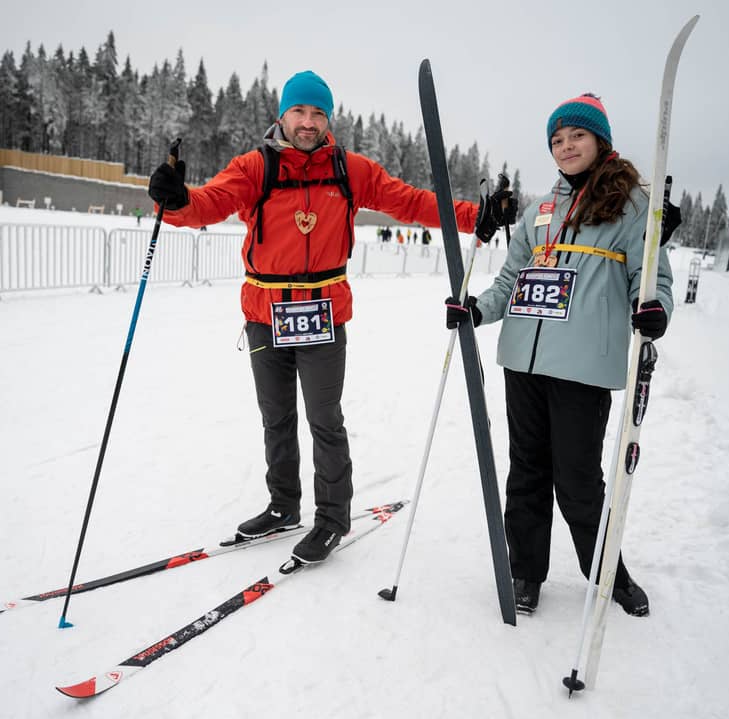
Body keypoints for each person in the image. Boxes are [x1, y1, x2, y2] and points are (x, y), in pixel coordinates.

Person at [148, 69, 513, 565]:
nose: (308, 122)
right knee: (276, 418)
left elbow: (408, 201)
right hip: (264, 315)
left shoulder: (349, 170)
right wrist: (175, 200)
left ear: (329, 119)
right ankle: (283, 506)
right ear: (282, 115)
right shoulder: (255, 167)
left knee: (325, 420)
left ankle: (332, 519)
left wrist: (473, 215)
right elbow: (209, 203)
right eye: (299, 111)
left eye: (318, 113)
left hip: (322, 314)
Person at [445, 93, 677, 617]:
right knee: (526, 473)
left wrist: (654, 309)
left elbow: (652, 279)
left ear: (600, 141)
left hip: (582, 365)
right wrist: (477, 310)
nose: (566, 146)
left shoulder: (632, 206)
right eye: (557, 139)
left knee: (577, 480)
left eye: (577, 136)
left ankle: (607, 573)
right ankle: (525, 572)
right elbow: (510, 279)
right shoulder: (539, 212)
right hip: (523, 362)